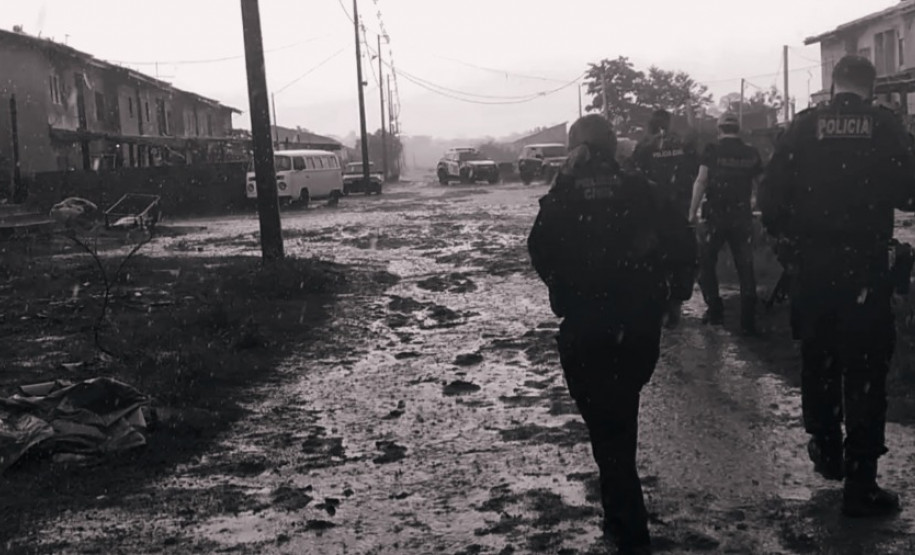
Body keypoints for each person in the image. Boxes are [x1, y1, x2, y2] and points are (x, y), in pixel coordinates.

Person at [528, 114, 697, 553]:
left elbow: (540, 248)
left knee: (608, 425)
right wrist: (674, 295)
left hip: (585, 327)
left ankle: (627, 519)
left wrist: (563, 287)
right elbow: (682, 240)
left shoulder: (562, 196)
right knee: (622, 413)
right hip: (638, 325)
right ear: (613, 146)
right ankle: (622, 508)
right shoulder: (642, 188)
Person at [758, 54, 915, 517]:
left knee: (819, 357)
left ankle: (826, 444)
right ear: (871, 87)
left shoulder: (805, 128)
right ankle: (861, 483)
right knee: (866, 372)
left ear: (833, 84)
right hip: (866, 269)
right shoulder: (885, 128)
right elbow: (909, 192)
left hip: (813, 268)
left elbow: (770, 198)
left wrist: (795, 229)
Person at [688, 111, 764, 335]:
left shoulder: (712, 151)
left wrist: (692, 212)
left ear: (719, 129)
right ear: (737, 129)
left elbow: (701, 181)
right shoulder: (751, 152)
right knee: (745, 266)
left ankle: (715, 310)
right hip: (742, 217)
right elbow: (762, 183)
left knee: (705, 262)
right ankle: (748, 321)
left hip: (715, 217)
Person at [631, 109, 700, 328]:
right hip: (679, 210)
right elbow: (695, 169)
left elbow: (634, 175)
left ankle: (659, 302)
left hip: (654, 211)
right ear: (669, 124)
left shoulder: (645, 146)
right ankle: (676, 303)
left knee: (654, 258)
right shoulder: (681, 144)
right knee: (683, 257)